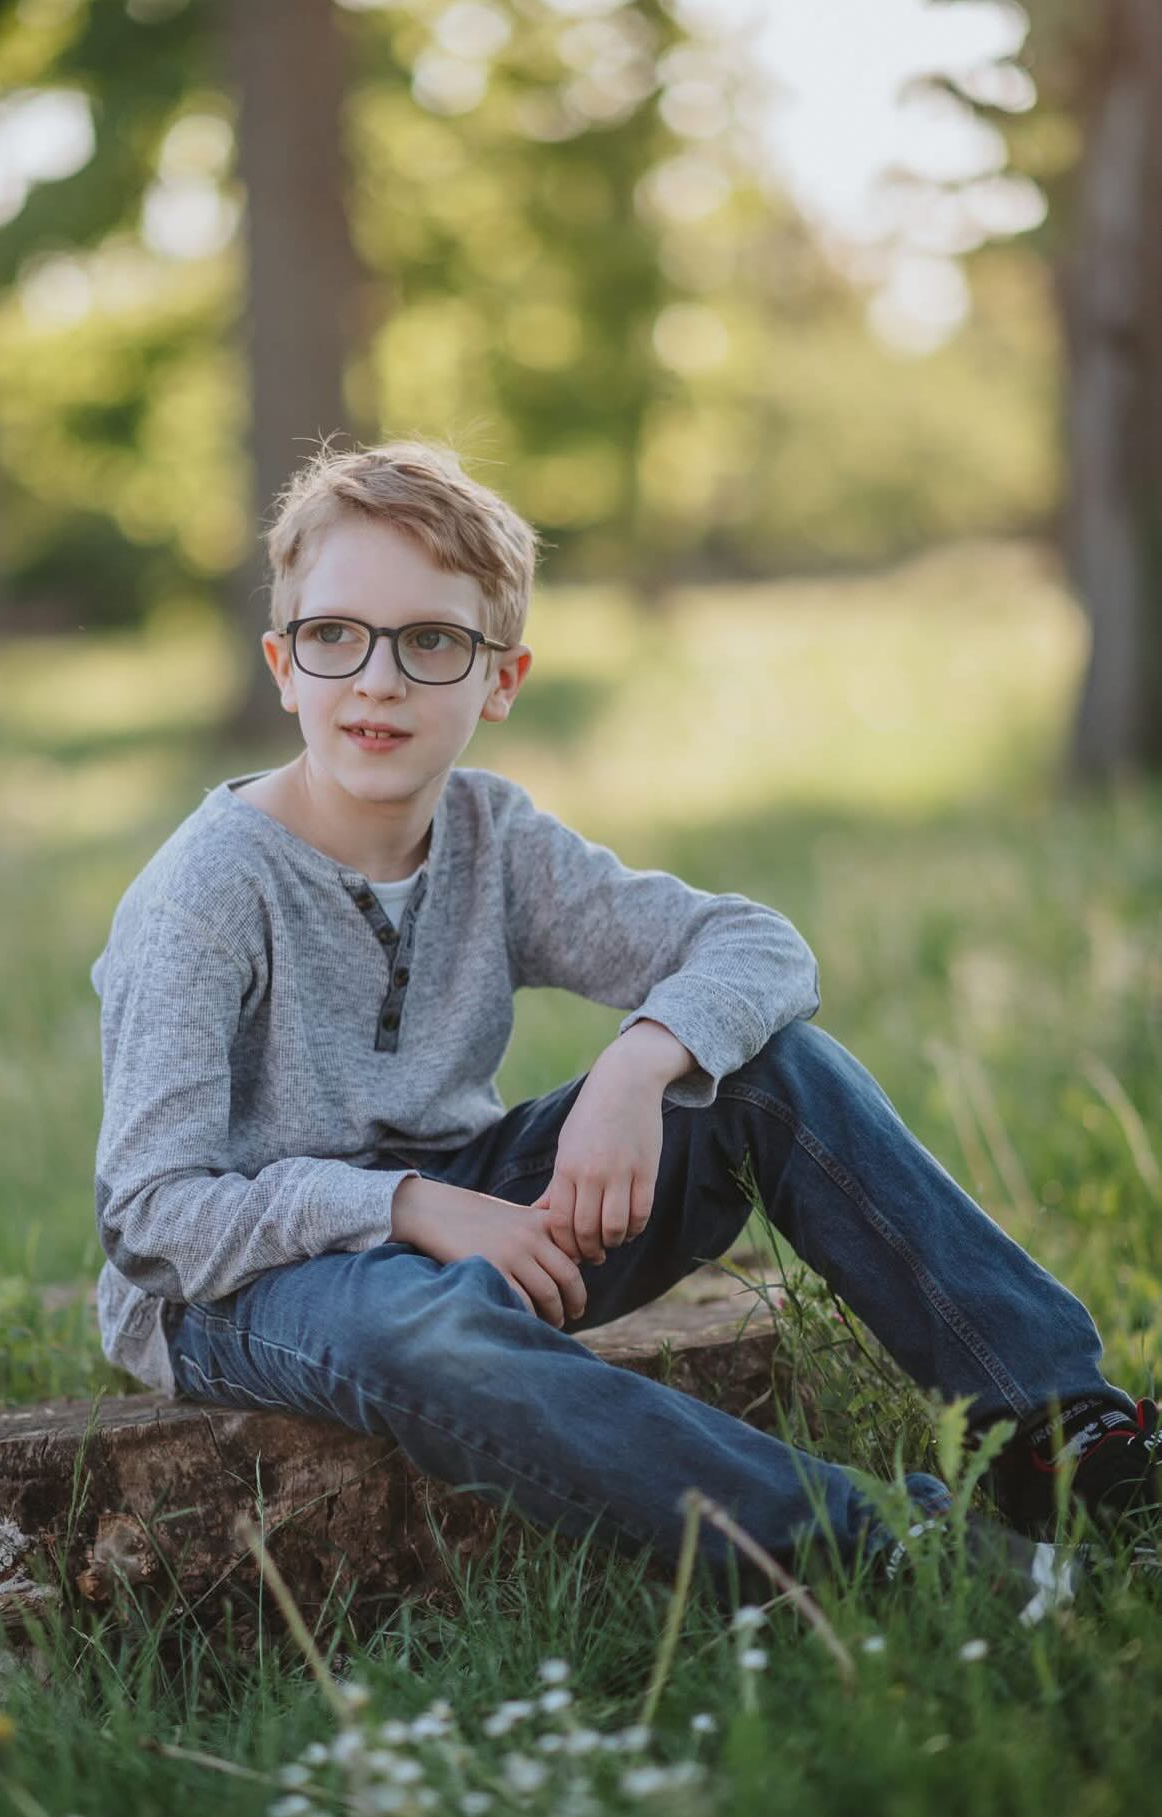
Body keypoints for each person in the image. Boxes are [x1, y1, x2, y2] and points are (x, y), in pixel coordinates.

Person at [89, 440, 1159, 1610]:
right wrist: (405, 1207)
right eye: (334, 635)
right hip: (244, 1286)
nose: (377, 680)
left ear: (500, 677)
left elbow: (760, 945)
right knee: (427, 1328)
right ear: (283, 665)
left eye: (431, 640)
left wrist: (641, 1063)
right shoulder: (209, 891)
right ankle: (889, 1551)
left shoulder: (493, 839)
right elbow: (150, 1216)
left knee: (766, 1069)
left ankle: (1066, 1448)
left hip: (481, 1206)